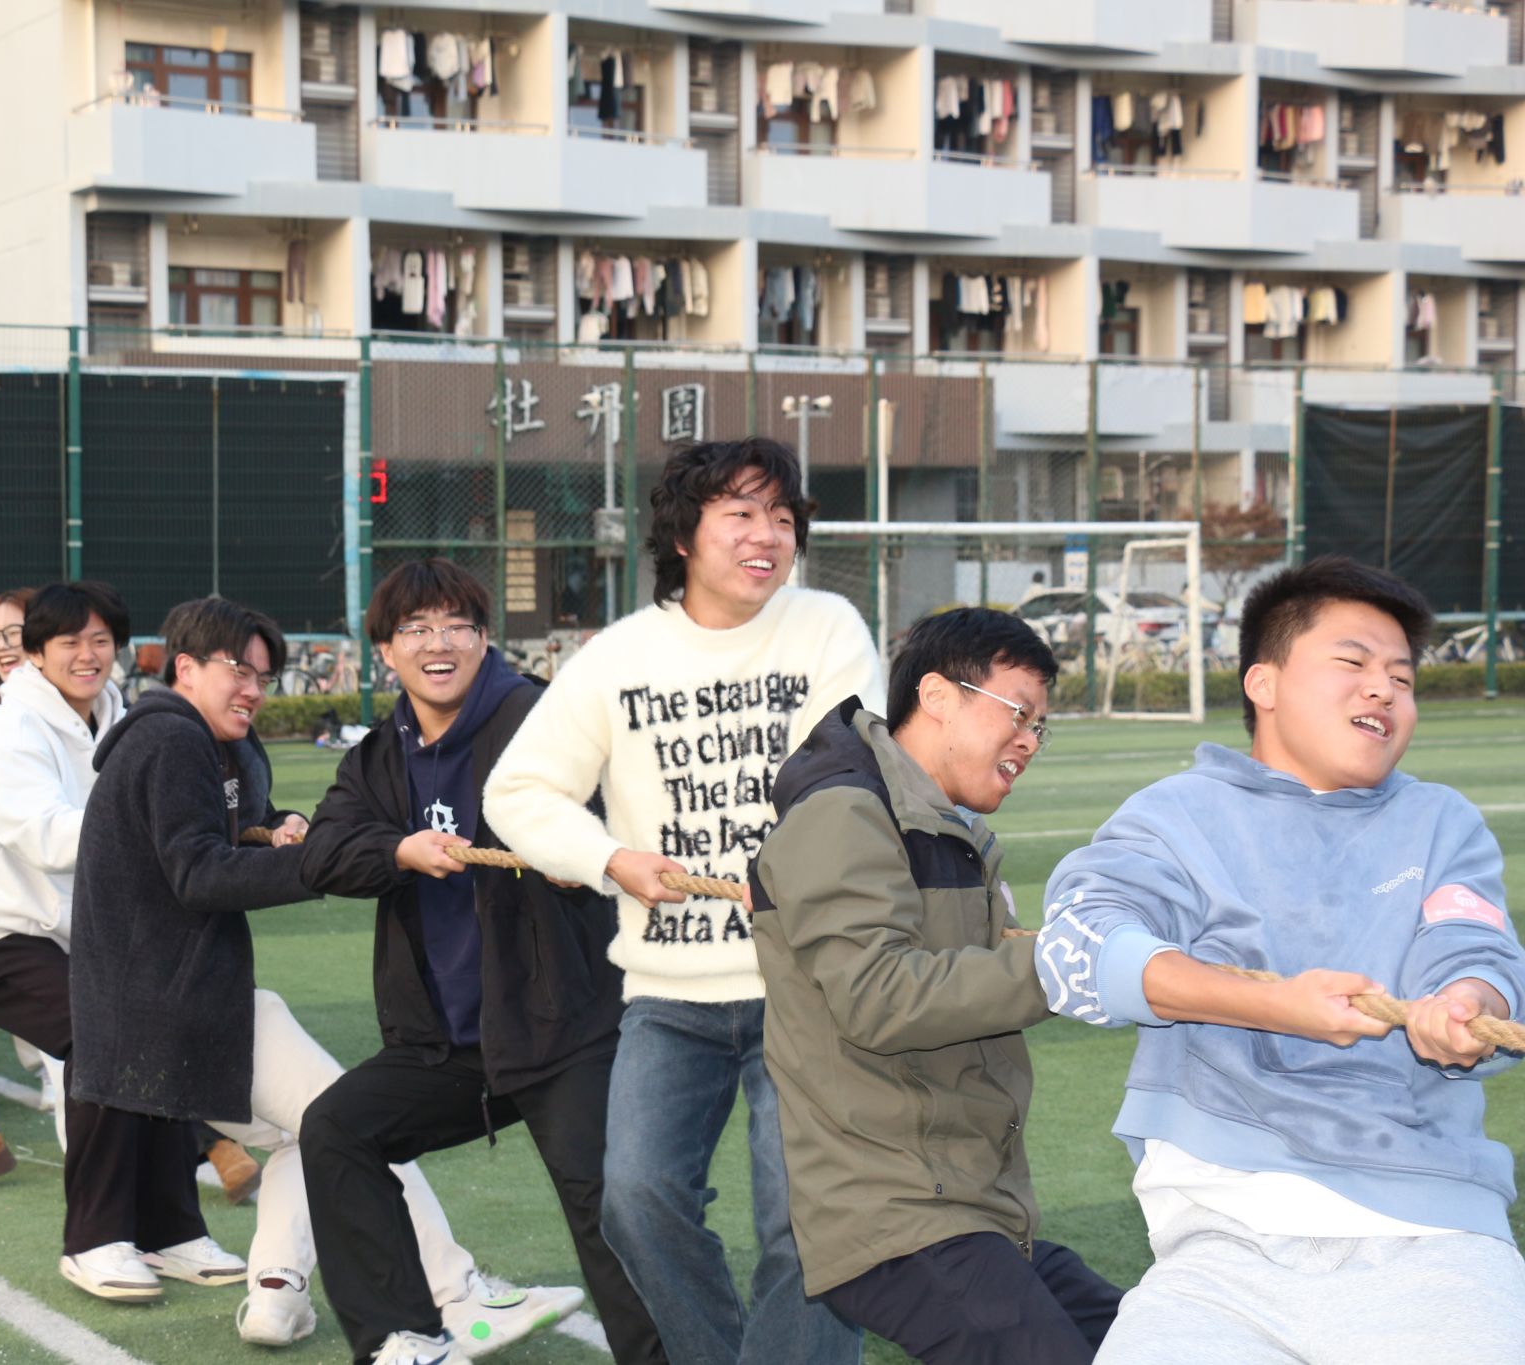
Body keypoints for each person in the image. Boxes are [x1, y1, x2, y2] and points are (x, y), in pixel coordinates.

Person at [1036, 557, 1525, 1363]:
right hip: (1222, 1246)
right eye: (1353, 662)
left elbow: (1475, 955)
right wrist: (1275, 1005)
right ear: (1263, 683)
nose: (1383, 689)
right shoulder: (1175, 817)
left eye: (1402, 677)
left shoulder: (1443, 822)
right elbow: (1078, 949)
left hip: (1435, 1233)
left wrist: (1468, 1006)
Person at [71, 595, 579, 1358]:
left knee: (312, 1131)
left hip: (170, 1000)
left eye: (264, 676)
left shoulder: (206, 741)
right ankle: (458, 1293)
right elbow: (197, 873)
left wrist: (278, 827)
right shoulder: (169, 739)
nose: (253, 690)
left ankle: (277, 1293)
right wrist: (321, 861)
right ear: (185, 668)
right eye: (238, 671)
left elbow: (219, 832)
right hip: (177, 1003)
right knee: (348, 1121)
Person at [484, 437, 881, 1365]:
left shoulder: (827, 627)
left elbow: (851, 775)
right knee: (635, 1200)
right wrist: (610, 857)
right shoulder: (618, 656)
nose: (767, 535)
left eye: (782, 516)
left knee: (806, 1222)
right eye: (740, 513)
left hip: (806, 986)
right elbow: (518, 791)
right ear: (683, 536)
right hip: (667, 994)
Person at [300, 560, 659, 1365]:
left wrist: (584, 849)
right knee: (337, 1129)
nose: (440, 643)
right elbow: (324, 851)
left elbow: (616, 801)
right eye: (417, 628)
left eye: (458, 625)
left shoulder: (538, 719)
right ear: (385, 650)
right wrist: (399, 850)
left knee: (609, 1210)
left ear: (485, 637)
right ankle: (403, 1337)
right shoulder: (381, 755)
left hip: (560, 1025)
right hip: (449, 1044)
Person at [751, 608, 1122, 1364]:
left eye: (1040, 727)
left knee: (1152, 1338)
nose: (1030, 740)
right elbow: (877, 995)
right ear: (938, 695)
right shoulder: (844, 811)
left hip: (972, 1209)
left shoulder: (945, 825)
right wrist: (1061, 965)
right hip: (897, 1214)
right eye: (1018, 713)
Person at [0, 585, 169, 1208]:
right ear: (34, 652)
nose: (88, 655)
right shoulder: (10, 729)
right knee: (105, 1041)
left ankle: (156, 1218)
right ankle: (101, 1222)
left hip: (73, 932)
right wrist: (156, 823)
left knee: (136, 1041)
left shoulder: (120, 719)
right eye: (70, 642)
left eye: (101, 641)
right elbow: (44, 837)